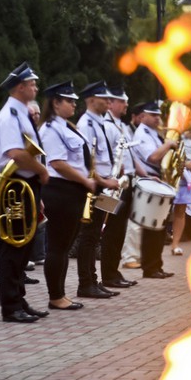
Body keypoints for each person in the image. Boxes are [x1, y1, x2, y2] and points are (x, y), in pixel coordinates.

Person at [0, 62, 49, 322]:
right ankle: (10, 306)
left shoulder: (21, 113)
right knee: (12, 248)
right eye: (32, 84)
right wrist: (41, 170)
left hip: (25, 185)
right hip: (16, 182)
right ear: (20, 87)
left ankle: (19, 299)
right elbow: (15, 153)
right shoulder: (9, 116)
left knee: (23, 246)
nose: (36, 88)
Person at [39, 81, 93, 311]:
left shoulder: (66, 126)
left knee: (65, 244)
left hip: (72, 190)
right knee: (58, 246)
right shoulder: (51, 128)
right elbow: (57, 163)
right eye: (69, 100)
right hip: (60, 190)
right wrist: (85, 181)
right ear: (55, 102)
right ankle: (55, 296)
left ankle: (60, 294)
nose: (73, 104)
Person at [75, 81, 120, 298]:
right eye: (105, 99)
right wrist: (104, 181)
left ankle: (93, 280)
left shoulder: (98, 122)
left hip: (103, 186)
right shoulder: (86, 124)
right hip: (95, 186)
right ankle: (86, 283)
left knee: (95, 236)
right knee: (89, 236)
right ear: (92, 99)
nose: (109, 103)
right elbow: (86, 162)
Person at [132, 101, 177, 279]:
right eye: (153, 115)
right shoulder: (142, 133)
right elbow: (152, 157)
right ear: (143, 117)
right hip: (149, 179)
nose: (158, 118)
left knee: (160, 228)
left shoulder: (153, 133)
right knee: (152, 228)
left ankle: (156, 265)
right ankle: (150, 267)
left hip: (157, 179)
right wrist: (169, 145)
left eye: (158, 115)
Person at [100, 86, 138, 288]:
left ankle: (113, 272)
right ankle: (107, 275)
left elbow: (130, 156)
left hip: (126, 183)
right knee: (110, 229)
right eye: (122, 101)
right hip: (113, 185)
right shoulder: (107, 126)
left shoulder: (121, 126)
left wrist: (143, 174)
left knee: (119, 229)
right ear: (111, 103)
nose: (126, 105)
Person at [120, 102, 148, 269]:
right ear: (136, 116)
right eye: (143, 116)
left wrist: (145, 174)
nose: (145, 120)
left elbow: (133, 158)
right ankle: (129, 257)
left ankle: (132, 255)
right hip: (121, 179)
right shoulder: (129, 130)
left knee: (133, 220)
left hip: (133, 178)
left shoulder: (130, 130)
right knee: (129, 222)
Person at [170, 127, 191, 255]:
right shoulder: (173, 136)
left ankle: (175, 244)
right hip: (170, 177)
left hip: (184, 178)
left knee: (181, 211)